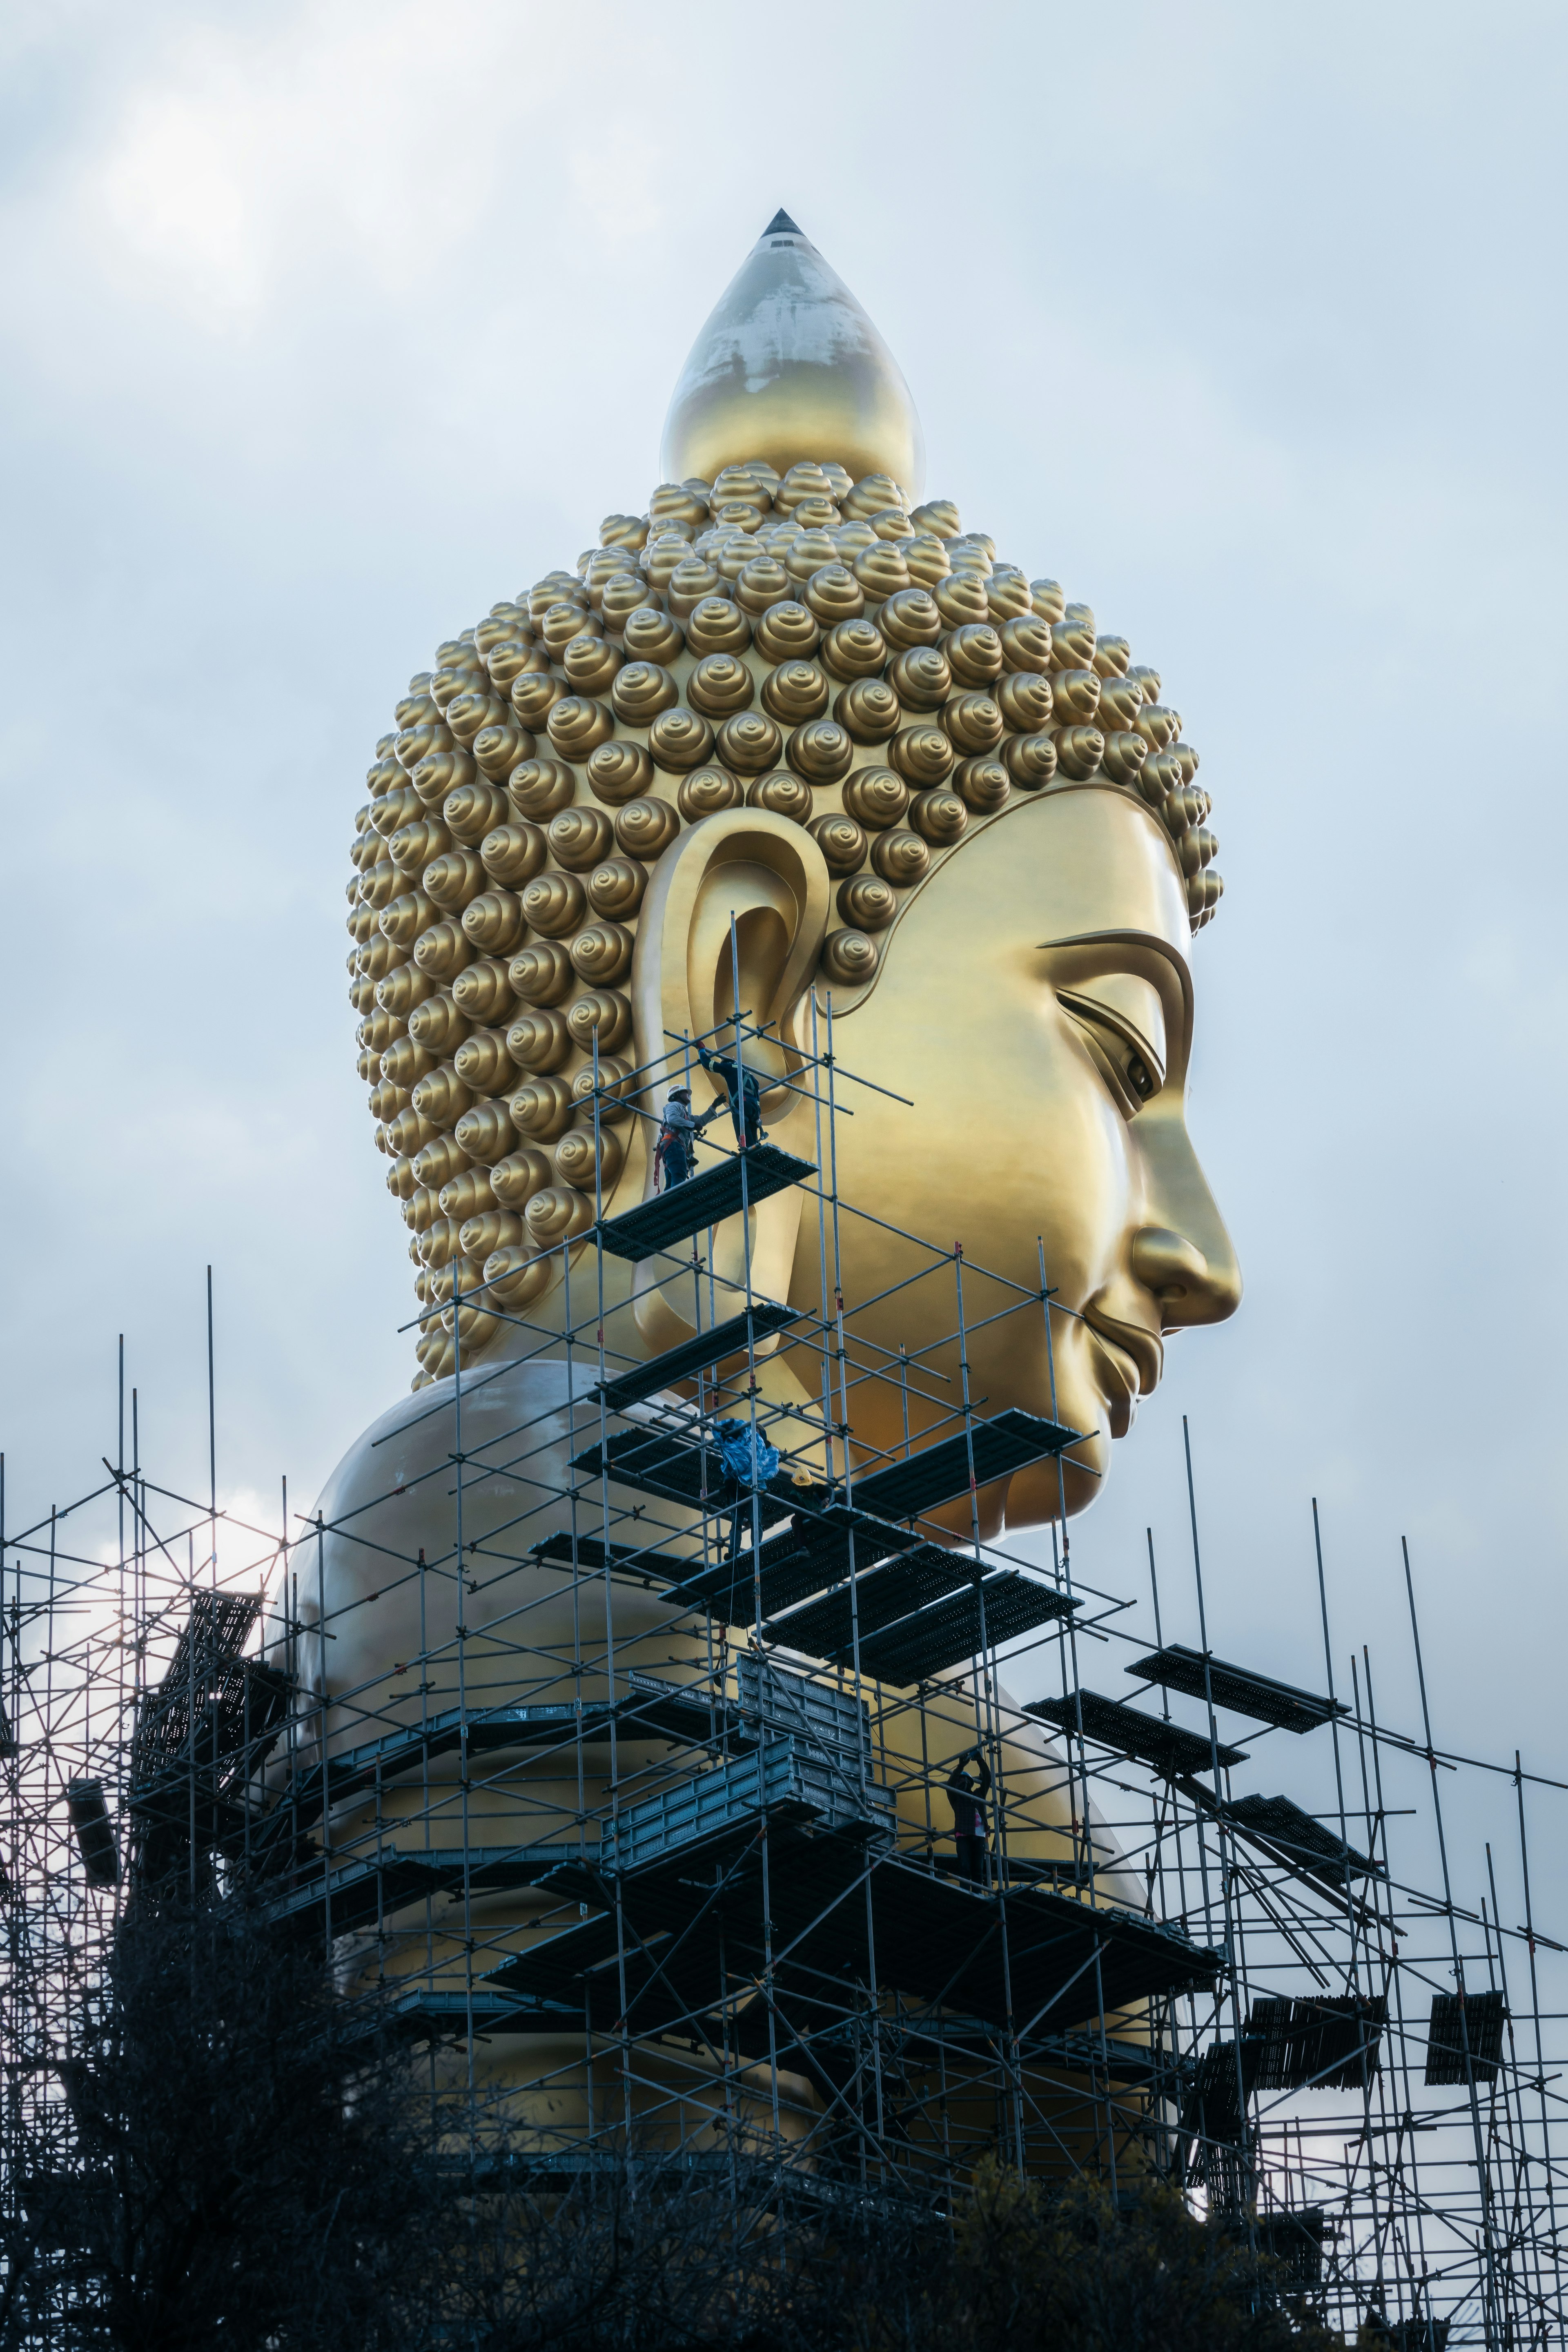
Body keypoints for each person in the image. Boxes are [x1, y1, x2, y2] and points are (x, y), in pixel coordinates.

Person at [712, 1416, 780, 1560]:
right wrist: (729, 1482)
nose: (753, 1434)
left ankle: (756, 1549)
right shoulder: (739, 1444)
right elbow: (730, 1463)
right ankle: (734, 1553)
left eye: (757, 1433)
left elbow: (768, 1466)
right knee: (736, 1522)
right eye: (752, 1431)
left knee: (755, 1522)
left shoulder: (767, 1450)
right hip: (738, 1487)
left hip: (755, 1488)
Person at [695, 1040, 765, 1150]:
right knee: (753, 1142)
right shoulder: (750, 1075)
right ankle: (754, 1152)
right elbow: (757, 1098)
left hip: (741, 1107)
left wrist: (702, 1050)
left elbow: (709, 1065)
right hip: (755, 1110)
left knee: (745, 1140)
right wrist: (758, 1115)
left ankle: (748, 1154)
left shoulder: (729, 1067)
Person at [946, 1745, 992, 1887]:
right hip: (963, 1835)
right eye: (958, 1781)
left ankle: (978, 1894)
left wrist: (979, 1760)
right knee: (965, 1868)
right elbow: (950, 1783)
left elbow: (988, 1779)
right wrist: (961, 1766)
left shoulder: (979, 1794)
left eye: (962, 1780)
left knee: (978, 1870)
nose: (959, 1783)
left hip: (979, 1835)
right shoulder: (956, 1798)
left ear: (968, 1783)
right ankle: (966, 1893)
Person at [653, 1087, 700, 1190]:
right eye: (685, 1092)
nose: (688, 1094)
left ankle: (668, 1204)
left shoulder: (684, 1115)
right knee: (679, 1174)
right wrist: (693, 1125)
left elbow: (701, 1120)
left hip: (670, 1147)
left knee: (671, 1182)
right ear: (677, 1095)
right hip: (673, 1145)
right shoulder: (675, 1105)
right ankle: (675, 1200)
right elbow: (672, 1119)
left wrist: (714, 1107)